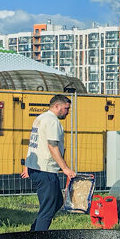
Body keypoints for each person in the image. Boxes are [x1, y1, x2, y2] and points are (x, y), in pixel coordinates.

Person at [22, 94, 75, 231]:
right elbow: (52, 146)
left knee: (56, 202)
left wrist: (28, 165)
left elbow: (34, 144)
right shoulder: (52, 121)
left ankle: (32, 233)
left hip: (37, 168)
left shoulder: (40, 118)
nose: (68, 112)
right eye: (66, 108)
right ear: (57, 106)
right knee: (48, 210)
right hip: (45, 170)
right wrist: (65, 168)